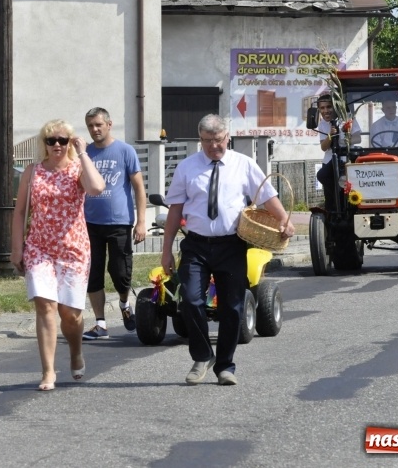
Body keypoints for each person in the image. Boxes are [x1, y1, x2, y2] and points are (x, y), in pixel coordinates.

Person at [161, 114, 293, 386]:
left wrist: (284, 219)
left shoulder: (243, 164)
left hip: (231, 245)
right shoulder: (187, 167)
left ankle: (225, 366)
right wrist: (165, 251)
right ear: (200, 140)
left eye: (218, 140)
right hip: (196, 245)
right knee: (190, 300)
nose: (213, 146)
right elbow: (175, 210)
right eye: (207, 141)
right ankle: (202, 356)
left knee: (232, 307)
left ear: (227, 137)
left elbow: (267, 195)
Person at [10, 120, 105, 391]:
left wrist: (83, 153)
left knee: (70, 314)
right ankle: (48, 371)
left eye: (62, 140)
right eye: (51, 140)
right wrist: (17, 248)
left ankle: (75, 351)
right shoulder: (33, 172)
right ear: (44, 144)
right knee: (45, 306)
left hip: (73, 250)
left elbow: (96, 188)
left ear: (70, 142)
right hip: (39, 248)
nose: (57, 145)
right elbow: (20, 212)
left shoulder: (78, 169)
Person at [82, 107, 146, 340]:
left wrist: (141, 222)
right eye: (90, 126)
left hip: (119, 222)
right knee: (93, 274)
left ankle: (124, 303)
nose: (94, 129)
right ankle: (100, 324)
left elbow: (139, 187)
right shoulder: (85, 154)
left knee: (120, 272)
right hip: (90, 224)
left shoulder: (125, 151)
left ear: (109, 124)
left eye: (98, 124)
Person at [315, 94, 362, 210]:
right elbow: (324, 147)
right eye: (322, 108)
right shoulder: (322, 124)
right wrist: (330, 135)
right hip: (330, 160)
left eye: (329, 107)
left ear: (335, 107)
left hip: (347, 158)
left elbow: (358, 138)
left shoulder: (347, 118)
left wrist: (343, 140)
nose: (326, 111)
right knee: (322, 176)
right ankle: (334, 208)